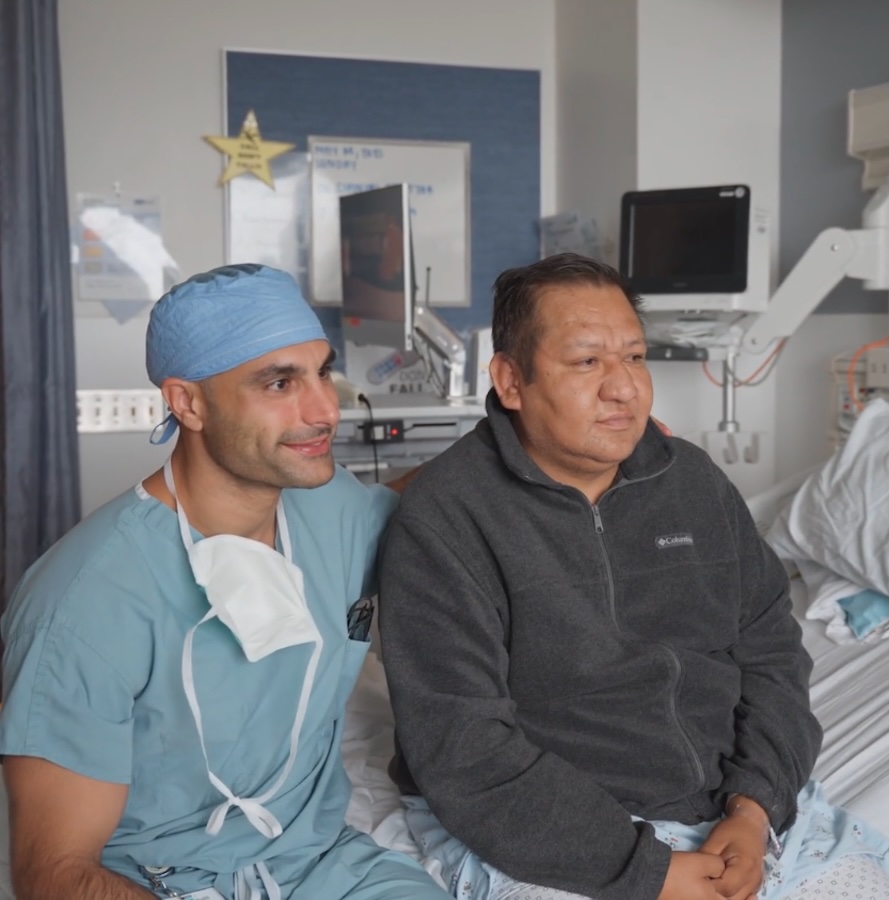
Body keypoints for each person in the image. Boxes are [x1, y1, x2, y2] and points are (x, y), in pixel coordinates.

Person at [378, 253, 889, 900]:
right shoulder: (449, 517)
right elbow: (462, 745)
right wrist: (647, 872)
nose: (623, 388)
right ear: (510, 381)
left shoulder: (692, 484)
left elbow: (771, 658)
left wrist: (753, 807)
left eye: (635, 357)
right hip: (550, 825)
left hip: (724, 813)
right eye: (586, 362)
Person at [0, 264, 450, 900]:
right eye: (278, 382)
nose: (325, 410)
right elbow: (56, 873)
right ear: (187, 402)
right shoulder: (82, 606)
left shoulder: (333, 512)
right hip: (155, 883)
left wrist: (542, 436)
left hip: (319, 864)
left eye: (322, 371)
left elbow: (436, 503)